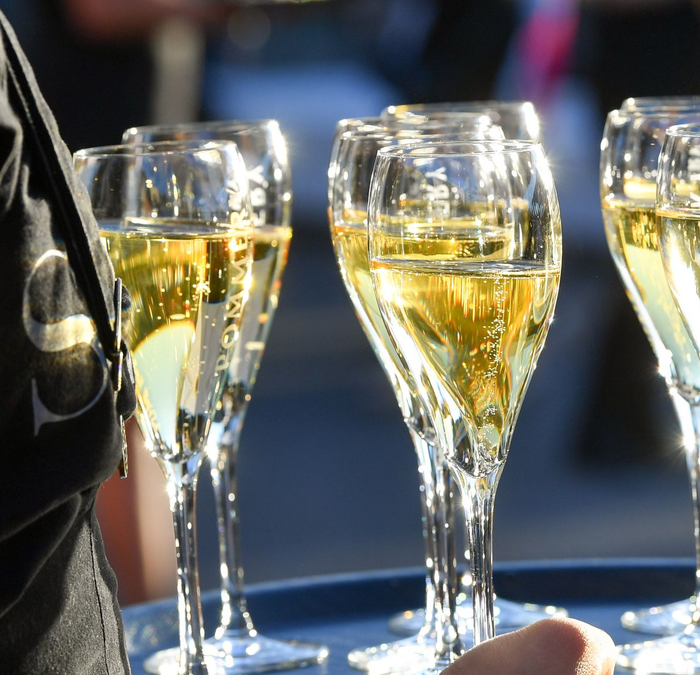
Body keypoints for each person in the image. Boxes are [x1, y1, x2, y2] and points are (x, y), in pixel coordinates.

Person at [0, 8, 615, 674]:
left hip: (163, 137)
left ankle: (191, 625)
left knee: (142, 421)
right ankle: (188, 627)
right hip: (115, 146)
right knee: (150, 420)